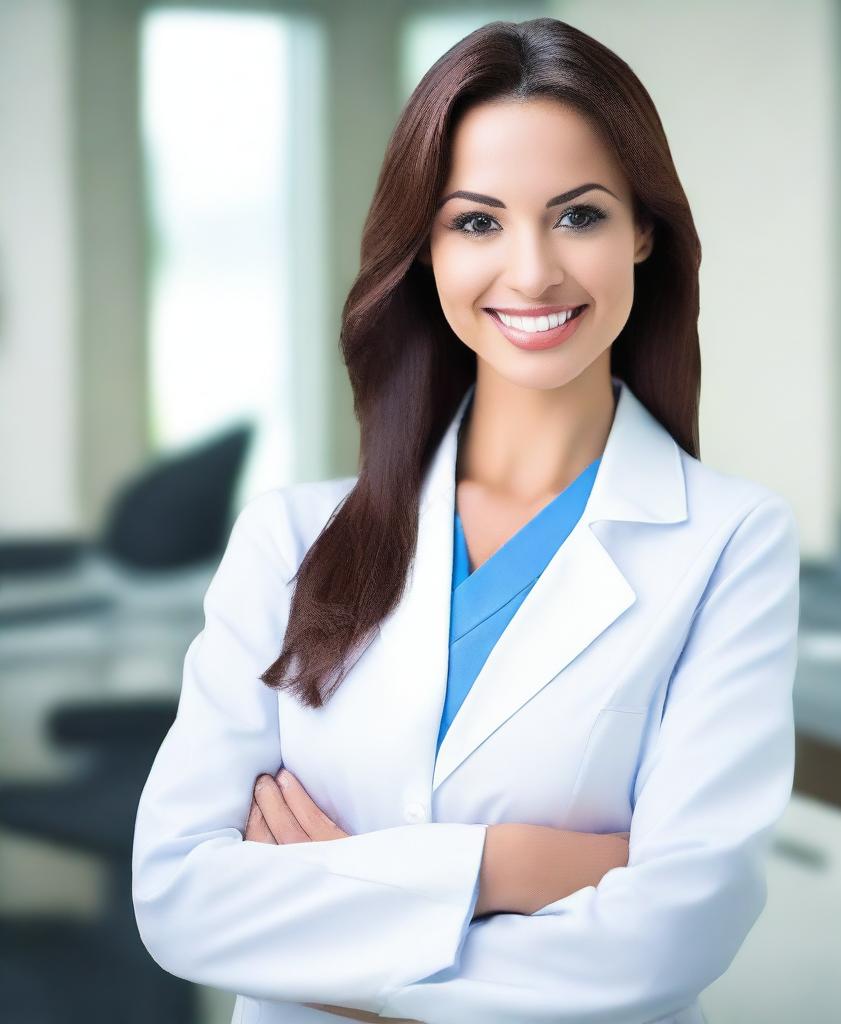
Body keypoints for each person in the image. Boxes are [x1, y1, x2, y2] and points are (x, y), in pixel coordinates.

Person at [132, 17, 801, 1024]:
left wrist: (334, 934)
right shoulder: (288, 538)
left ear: (643, 231)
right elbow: (179, 900)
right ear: (425, 247)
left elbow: (675, 931)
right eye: (477, 222)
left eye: (577, 216)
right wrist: (515, 865)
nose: (530, 273)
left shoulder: (730, 543)